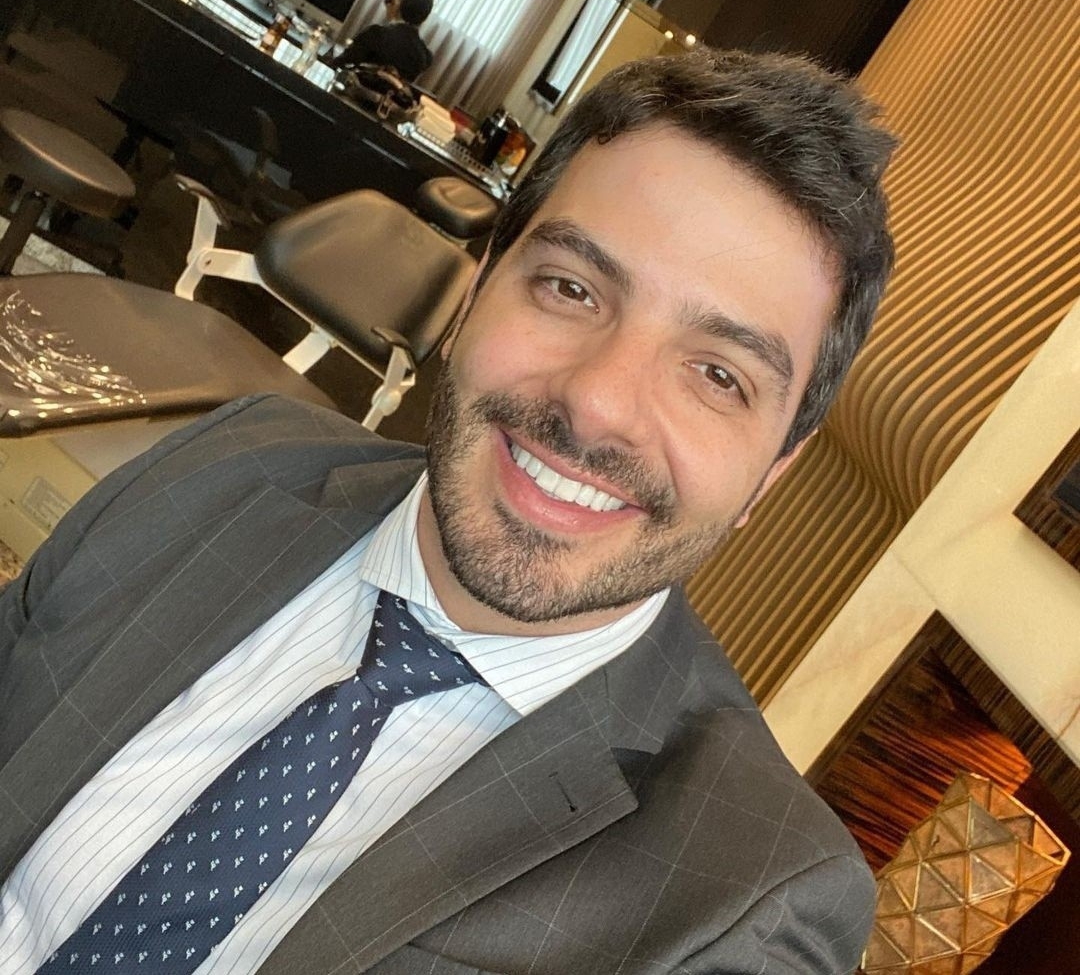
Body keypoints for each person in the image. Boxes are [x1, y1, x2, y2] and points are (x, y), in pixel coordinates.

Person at [0, 48, 896, 974]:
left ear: (771, 475)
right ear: (473, 295)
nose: (598, 403)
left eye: (718, 375)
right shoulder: (229, 459)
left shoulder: (748, 903)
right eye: (571, 288)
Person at [334, 0, 434, 84]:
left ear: (400, 5)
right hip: (383, 94)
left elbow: (341, 62)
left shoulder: (375, 33)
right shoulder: (424, 57)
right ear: (424, 18)